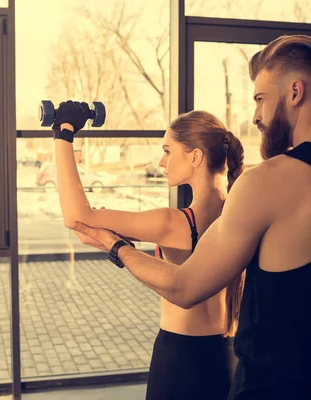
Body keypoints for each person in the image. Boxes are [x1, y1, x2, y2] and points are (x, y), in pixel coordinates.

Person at [71, 34, 311, 400]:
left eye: (261, 99)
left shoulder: (267, 181)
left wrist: (116, 246)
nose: (256, 116)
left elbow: (184, 287)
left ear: (295, 92)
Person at [50, 103, 245, 399]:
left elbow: (75, 217)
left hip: (181, 360)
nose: (162, 162)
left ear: (195, 157)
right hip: (230, 358)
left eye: (168, 151)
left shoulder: (175, 223)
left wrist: (63, 132)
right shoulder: (243, 215)